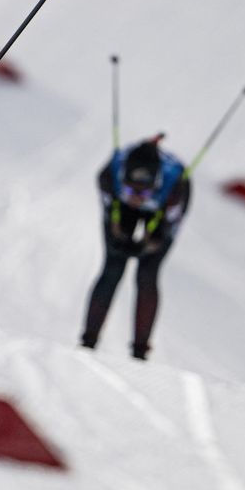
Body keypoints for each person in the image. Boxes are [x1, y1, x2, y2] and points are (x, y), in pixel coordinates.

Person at [80, 136, 191, 359]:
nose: (138, 199)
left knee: (147, 273)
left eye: (144, 194)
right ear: (122, 180)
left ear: (157, 184)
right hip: (121, 208)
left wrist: (154, 241)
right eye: (131, 192)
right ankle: (88, 342)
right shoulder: (109, 179)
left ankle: (140, 351)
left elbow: (168, 230)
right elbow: (110, 217)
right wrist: (116, 234)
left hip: (163, 209)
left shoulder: (176, 188)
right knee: (113, 267)